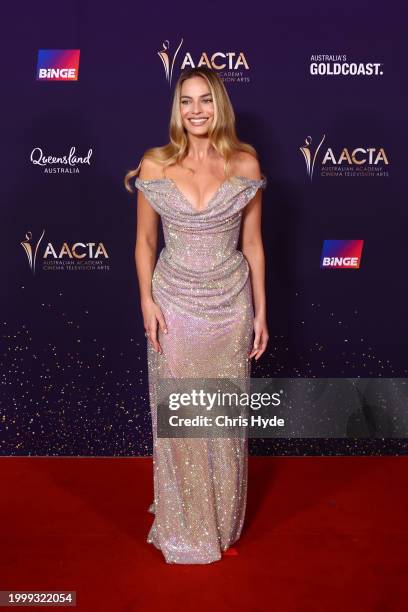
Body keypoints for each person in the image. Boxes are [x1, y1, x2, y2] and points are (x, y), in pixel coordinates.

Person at [124, 66, 268, 564]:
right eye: (186, 102)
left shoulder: (245, 164)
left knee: (223, 418)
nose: (196, 111)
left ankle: (220, 517)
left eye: (205, 100)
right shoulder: (155, 165)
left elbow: (252, 244)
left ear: (220, 105)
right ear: (177, 109)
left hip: (230, 305)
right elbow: (144, 242)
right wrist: (147, 300)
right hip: (175, 304)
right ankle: (185, 518)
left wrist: (261, 311)